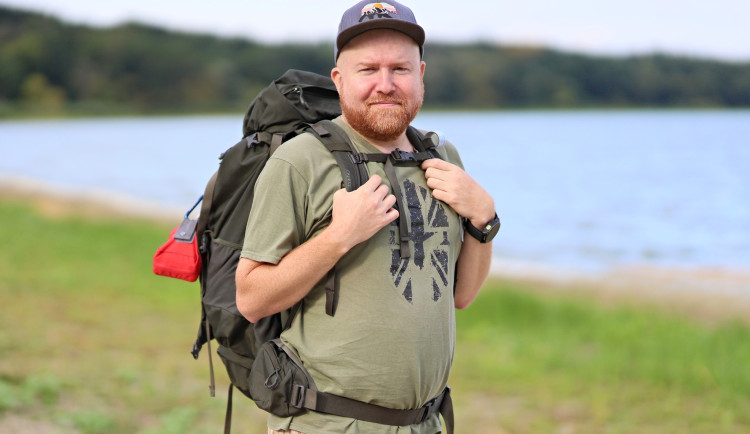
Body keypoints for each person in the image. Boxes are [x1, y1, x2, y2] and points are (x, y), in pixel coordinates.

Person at [235, 1, 499, 432]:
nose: (385, 84)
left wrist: (485, 221)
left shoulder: (442, 157)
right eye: (368, 69)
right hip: (328, 424)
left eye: (400, 69)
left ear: (421, 76)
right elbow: (251, 299)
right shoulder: (300, 161)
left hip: (426, 423)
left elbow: (461, 295)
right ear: (339, 80)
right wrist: (339, 236)